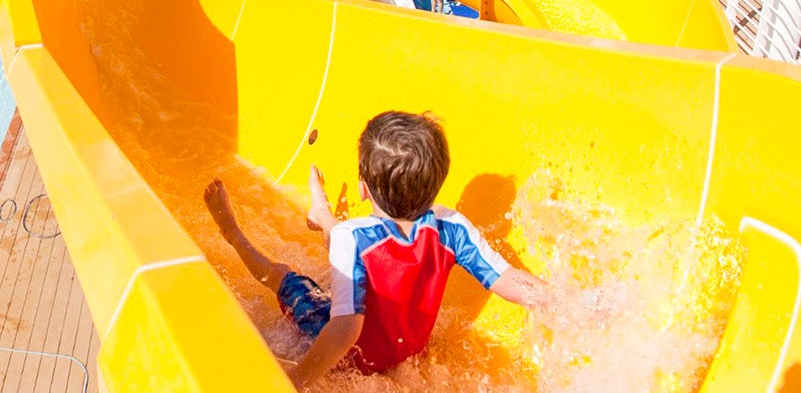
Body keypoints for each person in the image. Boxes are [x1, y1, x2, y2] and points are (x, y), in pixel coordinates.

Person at [203, 112, 549, 386]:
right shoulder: (452, 226)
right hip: (407, 348)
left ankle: (234, 233)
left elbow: (344, 331)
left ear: (363, 188)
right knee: (345, 245)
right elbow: (509, 280)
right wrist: (561, 301)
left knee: (283, 276)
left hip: (355, 357)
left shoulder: (353, 237)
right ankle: (322, 215)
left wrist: (294, 382)